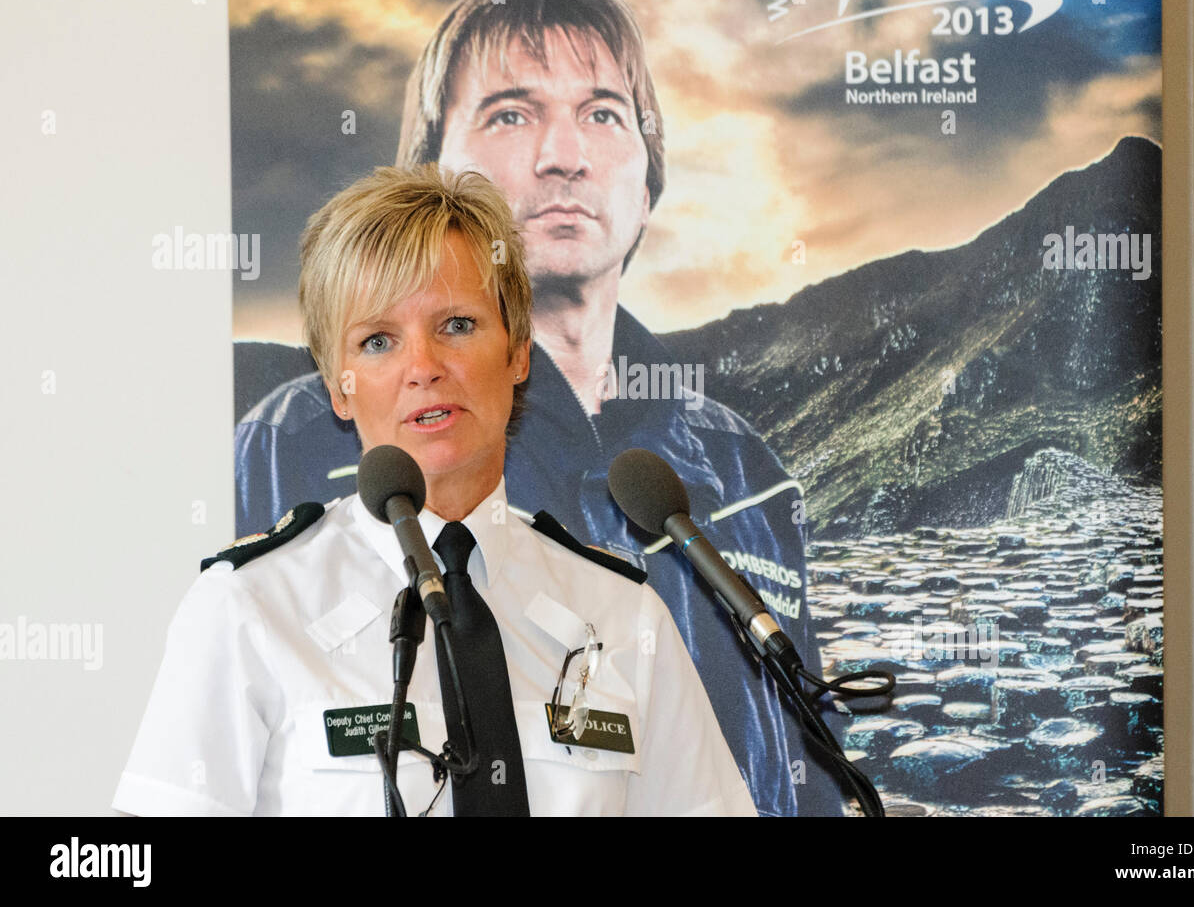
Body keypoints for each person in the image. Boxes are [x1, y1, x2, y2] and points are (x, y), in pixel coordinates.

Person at [235, 0, 846, 816]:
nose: (565, 155)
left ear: (647, 177)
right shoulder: (286, 445)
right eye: (511, 113)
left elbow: (805, 771)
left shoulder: (748, 469)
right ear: (429, 167)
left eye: (602, 113)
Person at [113, 165, 756, 816]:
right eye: (378, 340)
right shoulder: (249, 608)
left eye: (456, 325)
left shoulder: (622, 616)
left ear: (517, 352)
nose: (423, 367)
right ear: (340, 387)